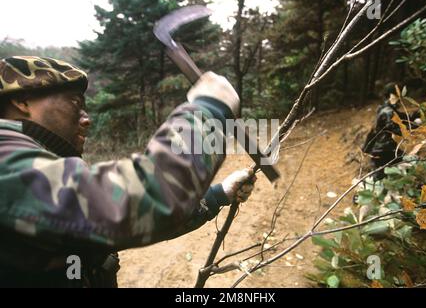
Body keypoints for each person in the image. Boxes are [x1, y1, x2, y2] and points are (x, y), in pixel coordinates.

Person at [0, 56, 256, 287]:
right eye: (75, 103)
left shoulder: (37, 164)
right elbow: (146, 198)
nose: (86, 119)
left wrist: (218, 195)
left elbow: (119, 220)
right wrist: (209, 109)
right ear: (22, 101)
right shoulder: (5, 161)